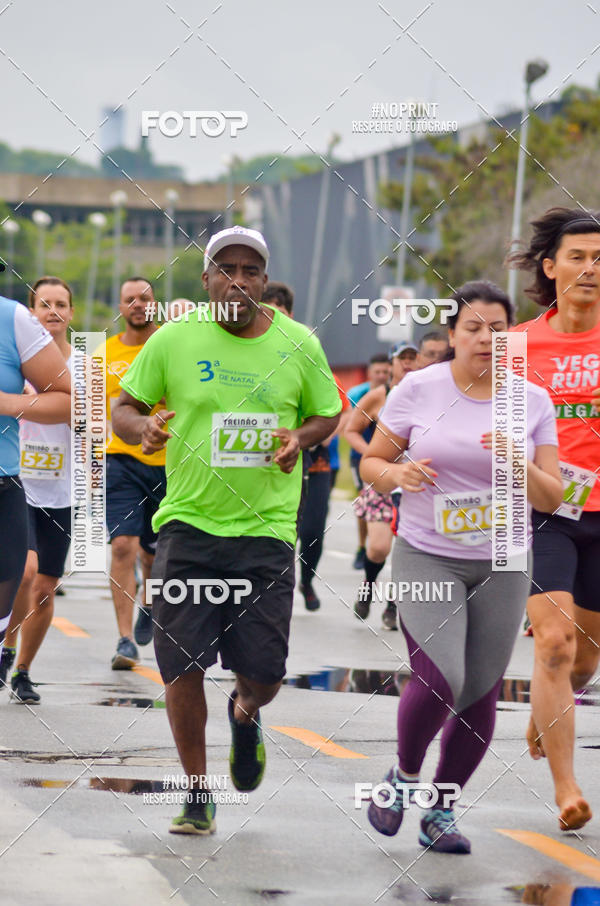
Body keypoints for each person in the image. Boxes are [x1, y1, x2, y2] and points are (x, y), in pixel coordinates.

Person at [111, 226, 341, 834]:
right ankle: (195, 791)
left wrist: (301, 437)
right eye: (225, 268)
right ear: (206, 279)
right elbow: (125, 406)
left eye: (251, 270)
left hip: (265, 530)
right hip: (187, 525)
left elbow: (328, 411)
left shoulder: (298, 343)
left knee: (264, 674)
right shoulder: (174, 339)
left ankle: (245, 715)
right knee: (179, 666)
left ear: (264, 282)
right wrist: (142, 431)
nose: (238, 280)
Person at [360, 280, 563, 853]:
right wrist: (396, 476)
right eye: (472, 327)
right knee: (442, 675)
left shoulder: (533, 401)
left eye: (498, 328)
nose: (485, 338)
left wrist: (517, 463)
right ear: (451, 335)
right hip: (428, 552)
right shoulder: (418, 389)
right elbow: (372, 461)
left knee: (478, 690)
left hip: (503, 556)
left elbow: (551, 498)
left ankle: (441, 811)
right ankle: (402, 778)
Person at [509, 208, 600, 831]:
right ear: (550, 266)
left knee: (585, 661)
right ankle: (567, 789)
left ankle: (546, 710)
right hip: (543, 512)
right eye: (578, 257)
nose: (591, 270)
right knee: (554, 644)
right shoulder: (514, 346)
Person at [1, 278, 74, 703]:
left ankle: (21, 666)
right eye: (44, 304)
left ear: (71, 313)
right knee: (25, 573)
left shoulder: (83, 368)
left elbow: (92, 429)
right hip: (17, 482)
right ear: (30, 312)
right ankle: (5, 645)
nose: (52, 311)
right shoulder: (20, 359)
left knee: (44, 587)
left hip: (60, 488)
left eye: (61, 304)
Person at [98, 277, 167, 669]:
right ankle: (125, 640)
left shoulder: (171, 347)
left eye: (145, 298)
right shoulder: (103, 354)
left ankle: (149, 601)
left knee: (154, 556)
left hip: (169, 463)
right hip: (120, 461)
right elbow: (93, 415)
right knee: (123, 545)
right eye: (130, 299)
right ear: (120, 307)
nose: (138, 304)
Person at [347, 354, 393, 569]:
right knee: (362, 500)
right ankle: (361, 546)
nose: (382, 375)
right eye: (378, 372)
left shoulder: (395, 394)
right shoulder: (359, 394)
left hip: (386, 459)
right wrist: (369, 452)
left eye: (385, 372)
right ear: (369, 373)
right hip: (361, 456)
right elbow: (349, 423)